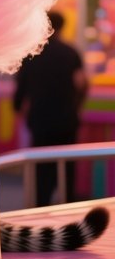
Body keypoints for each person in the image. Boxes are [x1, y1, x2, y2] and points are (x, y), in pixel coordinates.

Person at [14, 11, 88, 206]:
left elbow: (20, 89)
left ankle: (41, 207)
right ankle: (69, 205)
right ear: (62, 27)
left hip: (40, 120)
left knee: (42, 169)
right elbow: (82, 83)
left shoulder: (31, 55)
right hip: (67, 120)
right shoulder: (70, 52)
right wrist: (76, 106)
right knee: (67, 167)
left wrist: (18, 108)